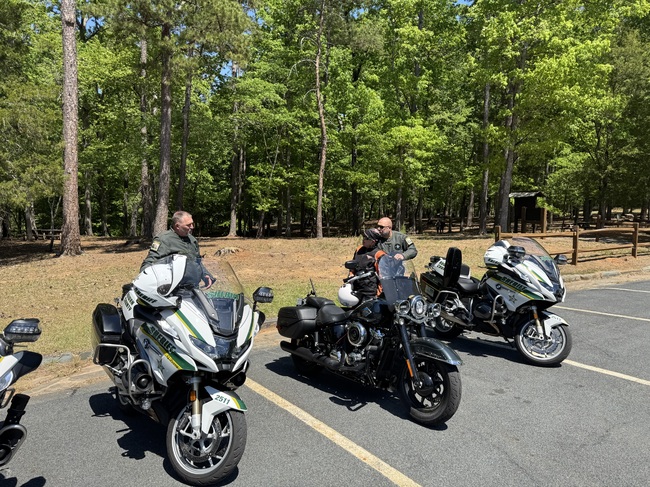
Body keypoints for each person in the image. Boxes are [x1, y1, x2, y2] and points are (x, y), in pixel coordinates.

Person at [140, 211, 213, 287]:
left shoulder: (192, 240)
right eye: (188, 225)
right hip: (173, 288)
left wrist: (205, 274)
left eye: (192, 224)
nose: (192, 227)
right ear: (177, 226)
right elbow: (149, 263)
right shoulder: (163, 240)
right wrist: (146, 278)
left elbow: (197, 262)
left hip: (192, 286)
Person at [349, 228, 386, 300]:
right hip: (356, 289)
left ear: (373, 241)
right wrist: (351, 276)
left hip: (370, 292)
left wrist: (378, 294)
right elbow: (352, 266)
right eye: (363, 237)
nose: (363, 240)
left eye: (366, 238)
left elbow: (383, 277)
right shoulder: (359, 249)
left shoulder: (379, 254)